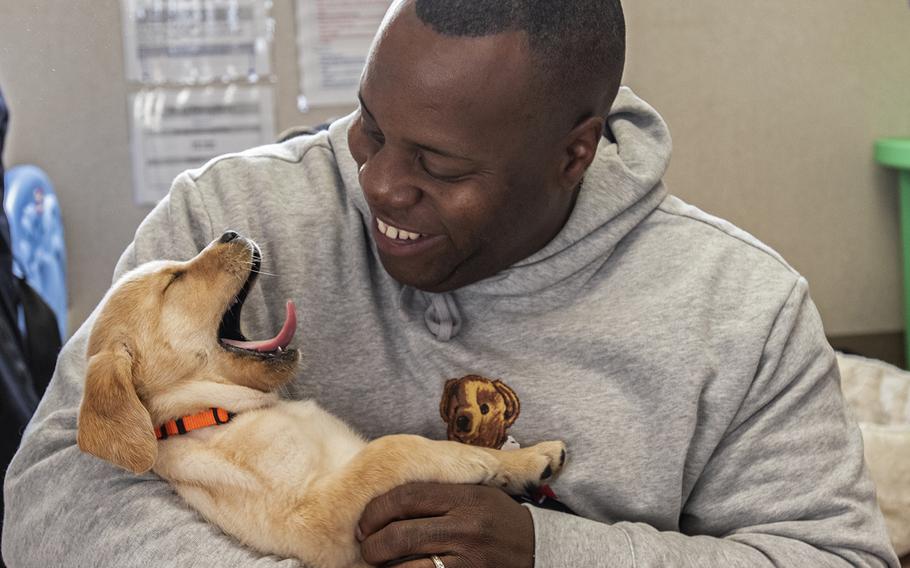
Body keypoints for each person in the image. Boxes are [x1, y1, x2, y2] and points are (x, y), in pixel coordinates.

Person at [2, 1, 899, 566]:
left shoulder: (741, 310)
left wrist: (551, 550)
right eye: (369, 126)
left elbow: (832, 554)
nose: (381, 184)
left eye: (438, 163)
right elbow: (50, 494)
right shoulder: (233, 216)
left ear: (572, 155)